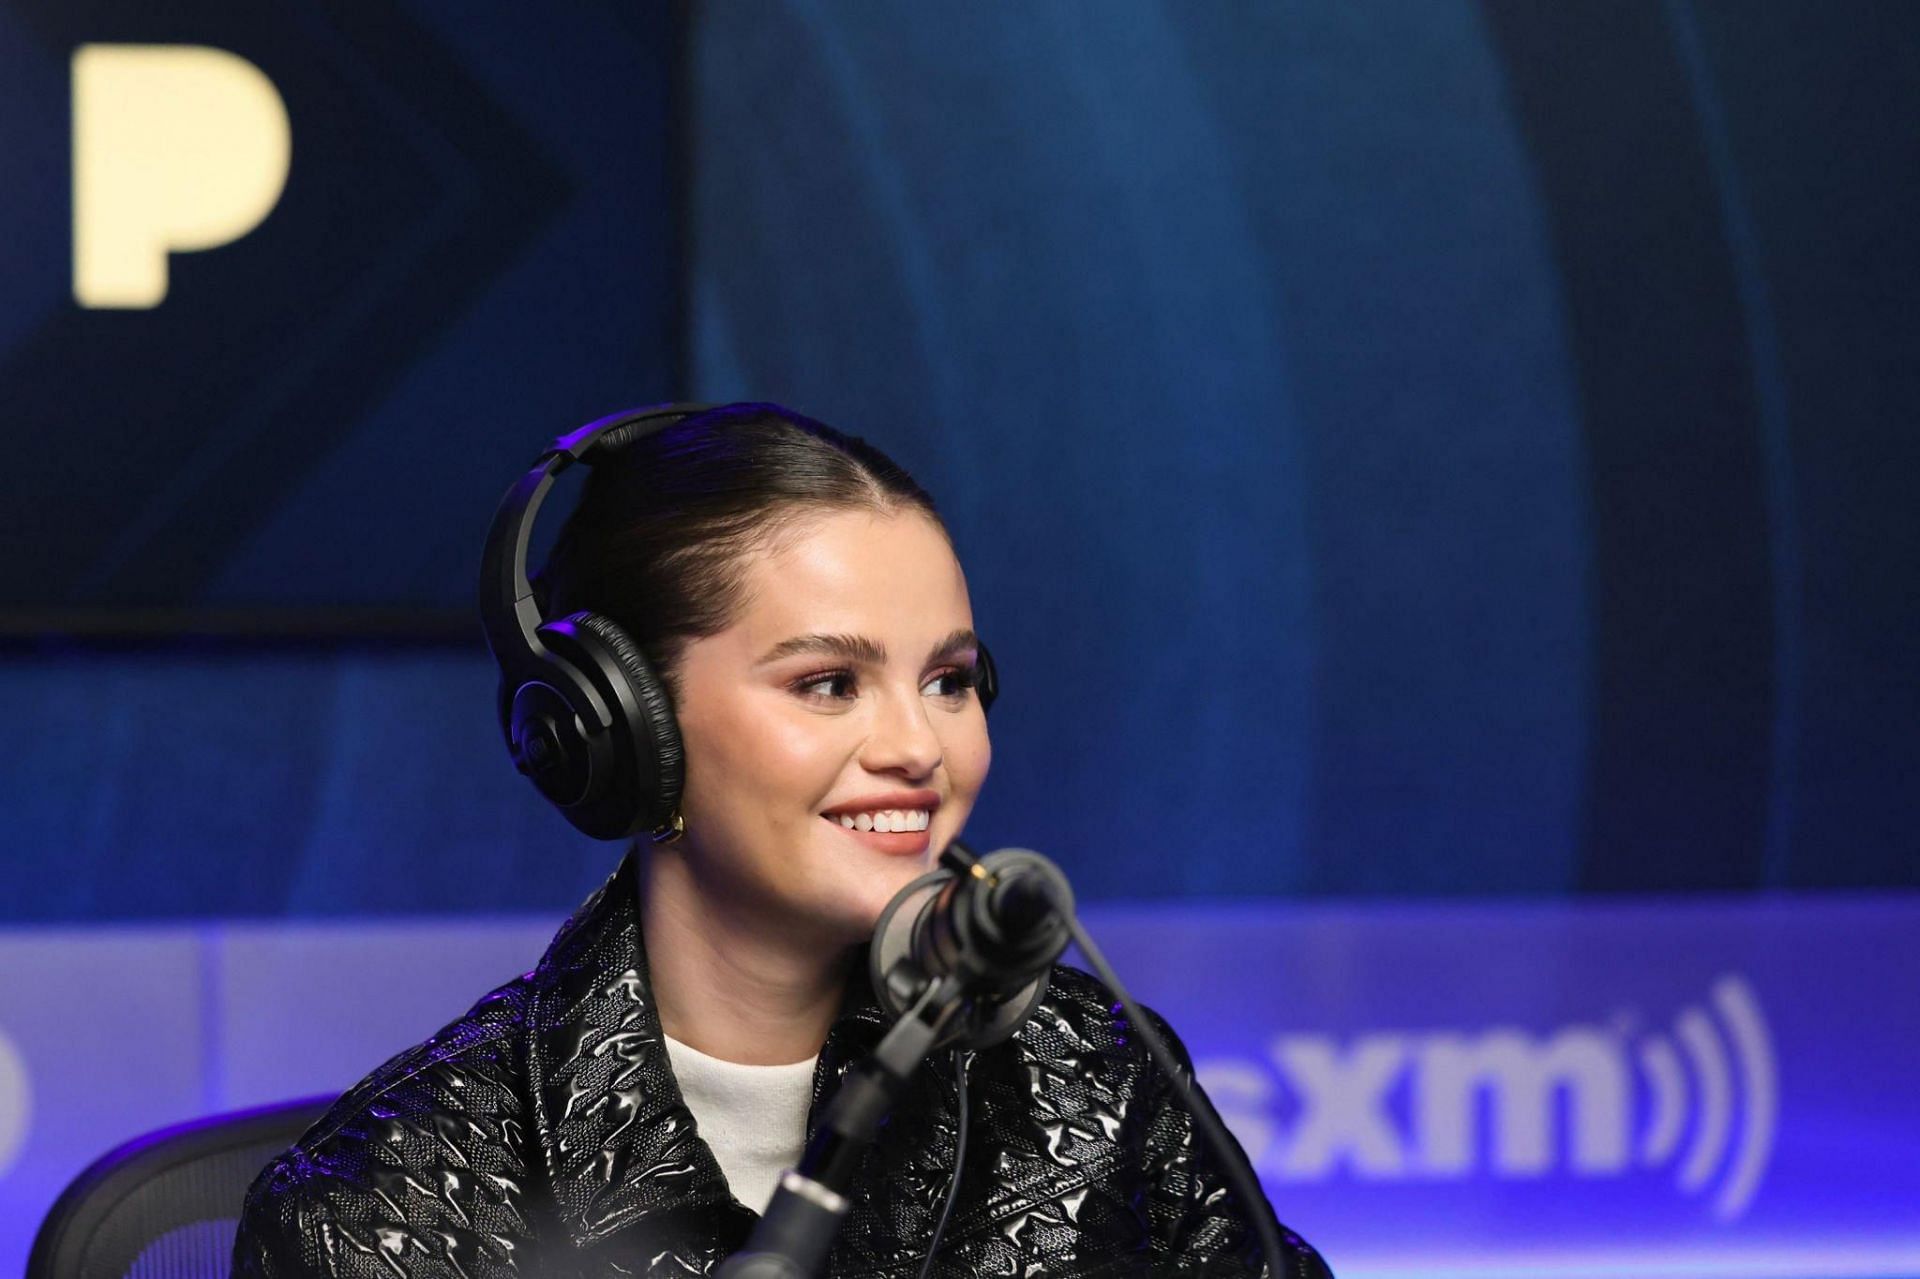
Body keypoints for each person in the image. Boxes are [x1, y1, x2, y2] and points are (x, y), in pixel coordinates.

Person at [232, 403, 1331, 1278]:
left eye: (949, 680)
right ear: (620, 732)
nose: (919, 746)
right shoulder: (387, 1209)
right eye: (828, 683)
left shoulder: (1093, 1078)